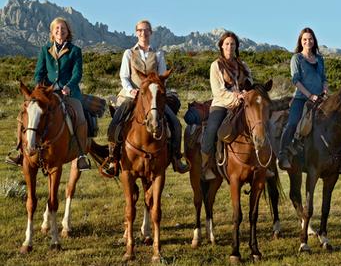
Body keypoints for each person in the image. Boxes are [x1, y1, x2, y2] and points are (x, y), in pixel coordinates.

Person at [104, 20, 189, 175]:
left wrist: (155, 90)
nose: (143, 33)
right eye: (140, 30)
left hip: (152, 96)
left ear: (150, 32)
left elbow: (163, 77)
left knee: (175, 124)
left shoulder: (158, 54)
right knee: (115, 123)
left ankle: (176, 158)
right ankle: (113, 159)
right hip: (133, 94)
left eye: (146, 30)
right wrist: (131, 90)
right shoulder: (128, 53)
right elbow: (124, 76)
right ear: (136, 32)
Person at [6, 17, 90, 171]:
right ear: (52, 32)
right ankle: (19, 150)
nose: (60, 31)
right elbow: (39, 72)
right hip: (46, 92)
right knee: (23, 114)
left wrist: (69, 86)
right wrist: (39, 86)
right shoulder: (45, 50)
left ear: (67, 32)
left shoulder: (75, 51)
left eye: (63, 28)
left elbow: (77, 74)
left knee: (79, 114)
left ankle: (80, 154)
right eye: (57, 29)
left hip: (68, 92)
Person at [200, 31, 253, 178]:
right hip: (222, 104)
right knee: (212, 130)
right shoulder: (215, 65)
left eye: (233, 44)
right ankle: (206, 166)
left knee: (260, 125)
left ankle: (264, 163)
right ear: (222, 46)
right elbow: (218, 91)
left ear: (236, 47)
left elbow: (250, 84)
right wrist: (236, 96)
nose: (230, 46)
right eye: (227, 44)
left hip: (243, 104)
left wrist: (246, 94)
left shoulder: (243, 65)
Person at [277, 27, 329, 170]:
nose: (308, 41)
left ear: (314, 40)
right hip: (301, 98)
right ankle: (283, 154)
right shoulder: (297, 58)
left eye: (310, 39)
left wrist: (325, 90)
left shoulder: (319, 59)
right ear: (301, 41)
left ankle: (335, 157)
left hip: (320, 98)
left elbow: (324, 78)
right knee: (293, 123)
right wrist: (309, 95)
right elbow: (296, 80)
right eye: (305, 39)